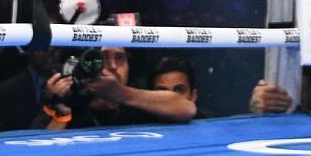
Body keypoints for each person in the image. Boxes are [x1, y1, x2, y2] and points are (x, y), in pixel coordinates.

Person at [36, 47, 196, 129]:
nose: (112, 66)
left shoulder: (138, 103)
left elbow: (186, 108)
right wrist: (61, 114)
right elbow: (36, 153)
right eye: (104, 57)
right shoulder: (69, 102)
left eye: (120, 58)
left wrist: (120, 93)